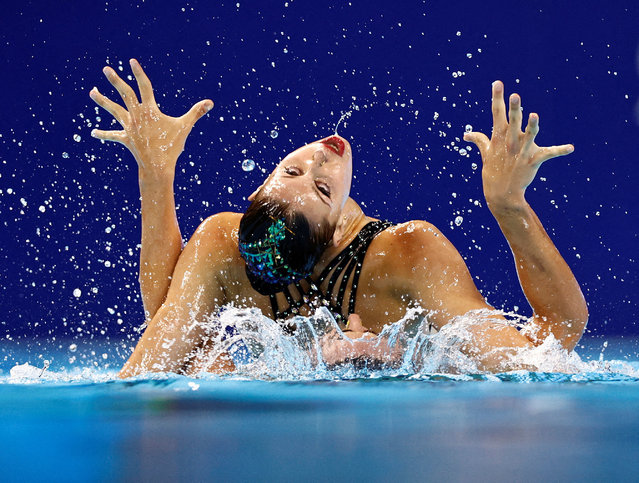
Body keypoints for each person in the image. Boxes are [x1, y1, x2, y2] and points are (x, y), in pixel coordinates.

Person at [89, 59, 588, 377]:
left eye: (296, 170)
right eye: (321, 187)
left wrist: (156, 174)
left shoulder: (224, 241)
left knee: (208, 365)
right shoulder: (409, 253)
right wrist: (510, 207)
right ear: (329, 238)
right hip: (397, 433)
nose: (320, 159)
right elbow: (552, 347)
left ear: (259, 187)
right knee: (206, 363)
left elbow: (160, 345)